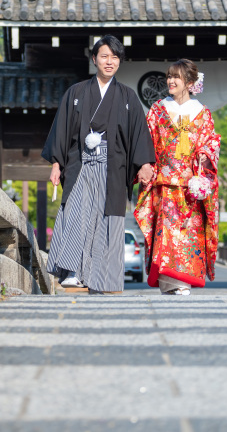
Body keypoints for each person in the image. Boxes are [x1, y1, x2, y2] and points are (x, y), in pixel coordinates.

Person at [43, 35, 155, 293]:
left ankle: (104, 279)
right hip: (80, 164)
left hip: (112, 168)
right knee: (76, 214)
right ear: (94, 59)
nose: (109, 61)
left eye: (115, 57)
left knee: (107, 221)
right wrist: (57, 164)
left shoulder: (127, 96)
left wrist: (144, 164)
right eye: (104, 56)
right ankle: (72, 271)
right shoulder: (77, 92)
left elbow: (139, 133)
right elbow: (62, 130)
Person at [134, 59, 220, 295]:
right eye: (169, 76)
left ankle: (182, 282)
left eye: (177, 77)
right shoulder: (158, 110)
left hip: (190, 187)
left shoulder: (202, 113)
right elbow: (145, 142)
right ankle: (169, 282)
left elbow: (211, 142)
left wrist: (204, 156)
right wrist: (144, 166)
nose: (170, 81)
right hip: (164, 184)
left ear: (190, 83)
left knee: (188, 234)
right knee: (167, 234)